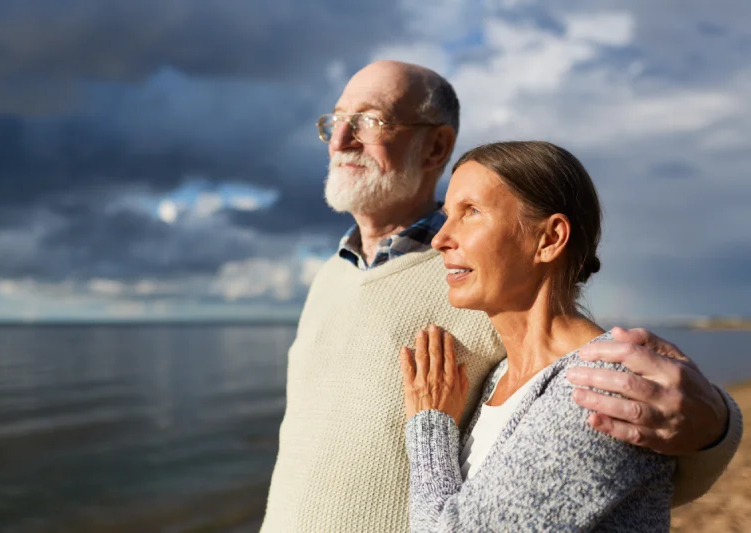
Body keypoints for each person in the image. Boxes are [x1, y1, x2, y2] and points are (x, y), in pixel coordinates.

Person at [259, 60, 742, 533]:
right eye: (337, 120)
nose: (342, 140)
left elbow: (635, 438)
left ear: (436, 147)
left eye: (369, 121)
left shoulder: (481, 280)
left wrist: (717, 425)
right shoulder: (330, 276)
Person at [401, 141, 671, 531]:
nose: (440, 239)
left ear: (549, 239)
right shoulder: (499, 377)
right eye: (447, 215)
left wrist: (430, 426)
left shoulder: (604, 389)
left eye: (471, 212)